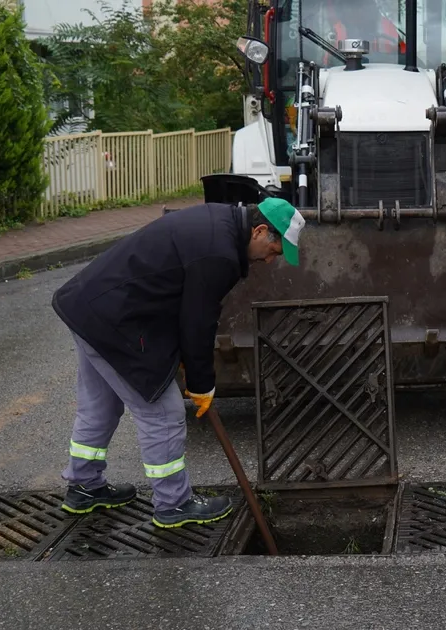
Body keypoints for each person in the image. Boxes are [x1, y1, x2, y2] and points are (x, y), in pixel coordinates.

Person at [52, 198, 306, 528]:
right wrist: (201, 384)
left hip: (87, 305)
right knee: (164, 412)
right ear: (259, 231)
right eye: (274, 250)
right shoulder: (221, 254)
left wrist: (183, 360)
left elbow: (177, 294)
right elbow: (197, 321)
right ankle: (173, 503)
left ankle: (84, 486)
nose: (271, 260)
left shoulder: (220, 221)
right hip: (114, 319)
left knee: (100, 405)